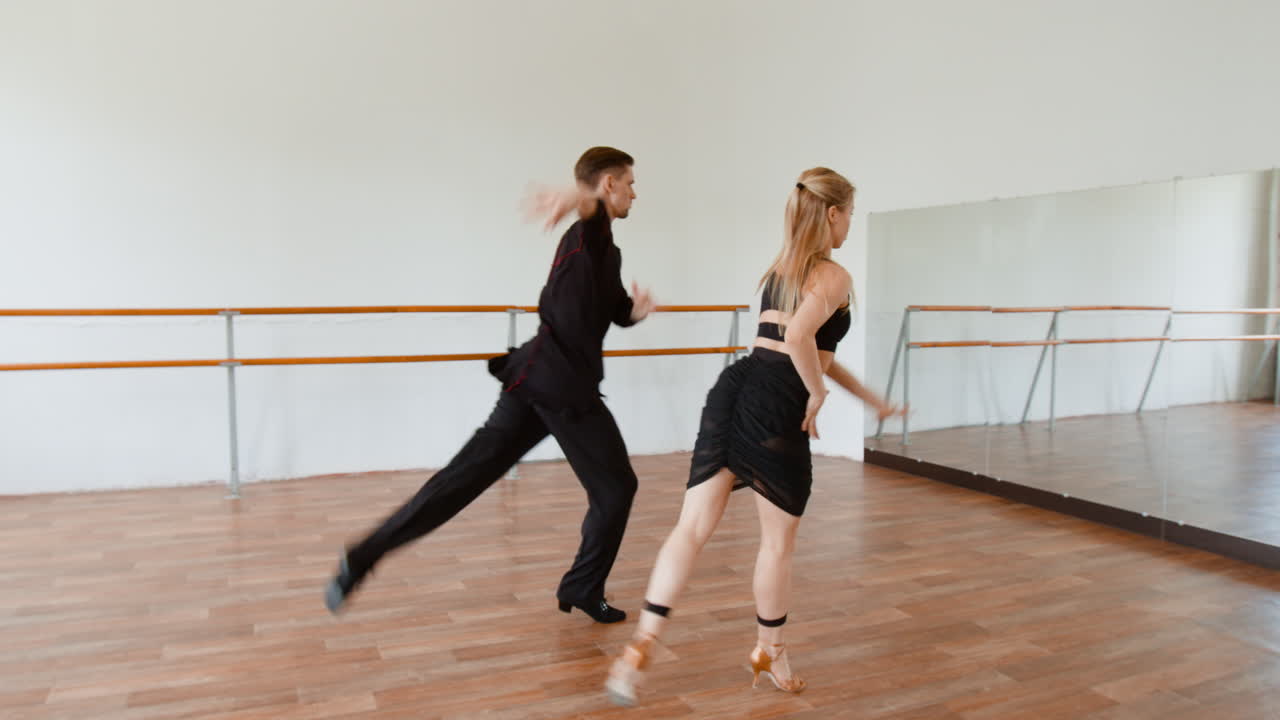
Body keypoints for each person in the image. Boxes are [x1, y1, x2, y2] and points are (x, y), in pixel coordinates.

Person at [604, 167, 905, 705]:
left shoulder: (781, 269)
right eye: (851, 214)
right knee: (775, 545)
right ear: (833, 213)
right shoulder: (834, 275)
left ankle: (640, 647)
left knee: (690, 528)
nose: (851, 224)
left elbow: (808, 350)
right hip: (775, 405)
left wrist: (869, 399)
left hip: (735, 389)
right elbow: (798, 338)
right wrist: (815, 397)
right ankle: (770, 650)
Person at [325, 147, 655, 624]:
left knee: (461, 481)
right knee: (616, 488)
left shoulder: (600, 250)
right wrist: (575, 197)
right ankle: (583, 586)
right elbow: (591, 211)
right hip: (563, 389)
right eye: (628, 183)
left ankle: (362, 556)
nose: (634, 193)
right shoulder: (589, 232)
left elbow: (612, 309)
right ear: (607, 185)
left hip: (535, 381)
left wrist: (635, 312)